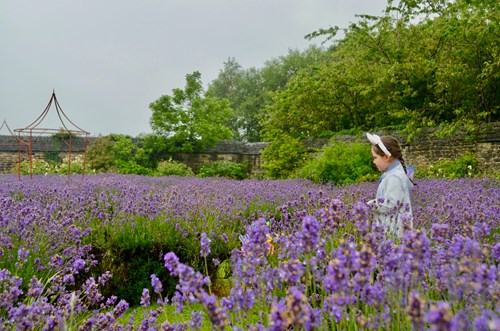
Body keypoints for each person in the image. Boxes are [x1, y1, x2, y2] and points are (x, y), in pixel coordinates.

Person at [366, 133, 414, 238]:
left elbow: (391, 203)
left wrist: (370, 204)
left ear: (386, 157)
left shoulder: (394, 177)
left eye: (375, 158)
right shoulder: (392, 175)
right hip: (392, 229)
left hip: (393, 231)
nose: (374, 162)